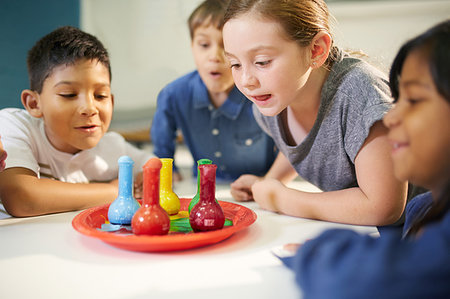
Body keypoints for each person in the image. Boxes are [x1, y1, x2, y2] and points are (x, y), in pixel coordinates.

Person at [274, 20, 450, 298]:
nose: (390, 116)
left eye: (414, 100)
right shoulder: (425, 208)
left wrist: (322, 252)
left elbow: (353, 282)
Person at [222, 0, 409, 226]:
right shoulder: (273, 97)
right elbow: (308, 145)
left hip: (421, 234)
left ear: (316, 50)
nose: (246, 81)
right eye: (234, 64)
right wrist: (268, 181)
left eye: (262, 61)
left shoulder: (359, 93)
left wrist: (280, 198)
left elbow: (383, 207)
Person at [0, 26, 152, 217]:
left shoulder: (113, 145)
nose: (90, 108)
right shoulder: (14, 125)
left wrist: (145, 178)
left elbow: (153, 164)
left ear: (112, 102)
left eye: (100, 95)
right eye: (69, 94)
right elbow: (22, 198)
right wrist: (117, 191)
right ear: (34, 103)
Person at [150, 0, 277, 183]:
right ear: (192, 46)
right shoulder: (173, 94)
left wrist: (269, 182)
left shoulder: (263, 92)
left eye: (225, 46)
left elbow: (289, 148)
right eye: (204, 44)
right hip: (200, 189)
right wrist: (170, 172)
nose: (214, 56)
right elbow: (162, 151)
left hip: (256, 189)